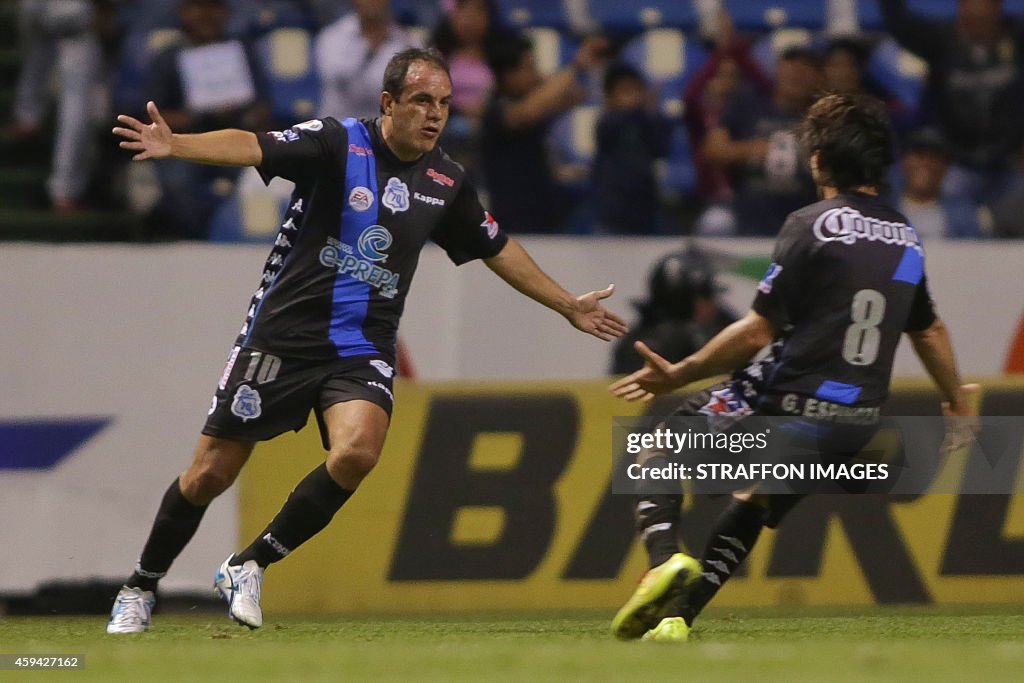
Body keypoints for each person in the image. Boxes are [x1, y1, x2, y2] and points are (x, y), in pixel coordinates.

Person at [106, 47, 628, 634]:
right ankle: (140, 585)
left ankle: (249, 564)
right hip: (284, 335)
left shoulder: (445, 181)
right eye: (423, 101)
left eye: (446, 104)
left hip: (362, 345)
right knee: (208, 475)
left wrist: (566, 305)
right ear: (389, 103)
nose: (435, 115)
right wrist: (178, 144)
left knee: (357, 452)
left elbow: (495, 246)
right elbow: (254, 144)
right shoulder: (336, 142)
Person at [608, 92, 980, 643]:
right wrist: (956, 397)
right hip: (855, 421)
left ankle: (663, 559)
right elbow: (927, 328)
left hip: (791, 404)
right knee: (753, 499)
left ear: (821, 159)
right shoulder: (906, 236)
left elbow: (758, 330)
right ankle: (676, 620)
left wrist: (681, 372)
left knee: (656, 450)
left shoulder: (813, 223)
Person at [145, 0, 273, 238]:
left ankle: (241, 240)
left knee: (264, 180)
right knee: (178, 183)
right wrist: (198, 113)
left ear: (225, 13)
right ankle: (193, 242)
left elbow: (264, 105)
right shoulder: (168, 57)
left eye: (214, 8)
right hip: (184, 141)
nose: (206, 15)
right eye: (198, 7)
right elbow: (156, 116)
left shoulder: (242, 50)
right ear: (183, 12)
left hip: (237, 137)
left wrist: (244, 112)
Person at [881, 0, 1024, 206]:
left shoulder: (1018, 38)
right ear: (960, 11)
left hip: (1008, 163)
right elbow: (899, 23)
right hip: (953, 163)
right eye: (971, 17)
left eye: (984, 17)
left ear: (998, 10)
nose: (978, 22)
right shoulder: (940, 39)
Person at [480, 33, 606, 233]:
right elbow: (529, 110)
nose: (535, 73)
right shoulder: (496, 110)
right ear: (508, 74)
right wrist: (576, 66)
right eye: (528, 67)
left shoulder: (532, 100)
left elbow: (574, 96)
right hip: (514, 221)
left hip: (544, 211)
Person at [700, 47, 822, 236]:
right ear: (778, 71)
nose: (796, 76)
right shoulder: (748, 106)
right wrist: (754, 150)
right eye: (791, 70)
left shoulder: (824, 115)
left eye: (804, 71)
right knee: (715, 222)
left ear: (817, 77)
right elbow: (712, 150)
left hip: (807, 212)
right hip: (749, 208)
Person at [12, 0, 102, 212]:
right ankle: (64, 191)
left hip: (41, 10)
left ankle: (28, 117)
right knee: (76, 110)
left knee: (37, 54)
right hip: (77, 20)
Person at [610, 247, 736, 374]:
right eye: (707, 296)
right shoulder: (646, 346)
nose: (714, 305)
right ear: (684, 301)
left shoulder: (720, 326)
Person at [591, 63, 673, 234]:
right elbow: (608, 132)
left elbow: (662, 148)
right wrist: (633, 111)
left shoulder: (646, 122)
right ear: (610, 96)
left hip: (645, 210)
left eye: (637, 90)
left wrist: (652, 112)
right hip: (613, 212)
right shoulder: (606, 122)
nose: (634, 96)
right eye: (626, 91)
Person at [316, 0, 417, 120]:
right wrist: (370, 50)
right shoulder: (334, 36)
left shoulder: (407, 42)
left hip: (383, 131)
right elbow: (337, 77)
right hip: (338, 127)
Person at [896, 128, 985, 240]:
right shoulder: (882, 210)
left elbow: (979, 252)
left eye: (934, 158)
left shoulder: (963, 213)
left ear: (946, 167)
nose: (926, 164)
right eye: (919, 156)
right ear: (904, 161)